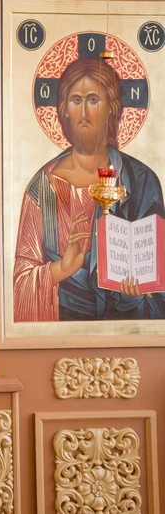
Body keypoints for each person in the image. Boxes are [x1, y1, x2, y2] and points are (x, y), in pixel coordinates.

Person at [14, 58, 165, 321]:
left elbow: (159, 280)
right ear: (64, 110)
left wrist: (137, 295)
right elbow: (20, 285)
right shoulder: (42, 188)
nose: (84, 112)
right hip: (62, 328)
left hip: (125, 332)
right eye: (76, 100)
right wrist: (63, 268)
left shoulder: (141, 180)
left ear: (111, 108)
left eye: (93, 100)